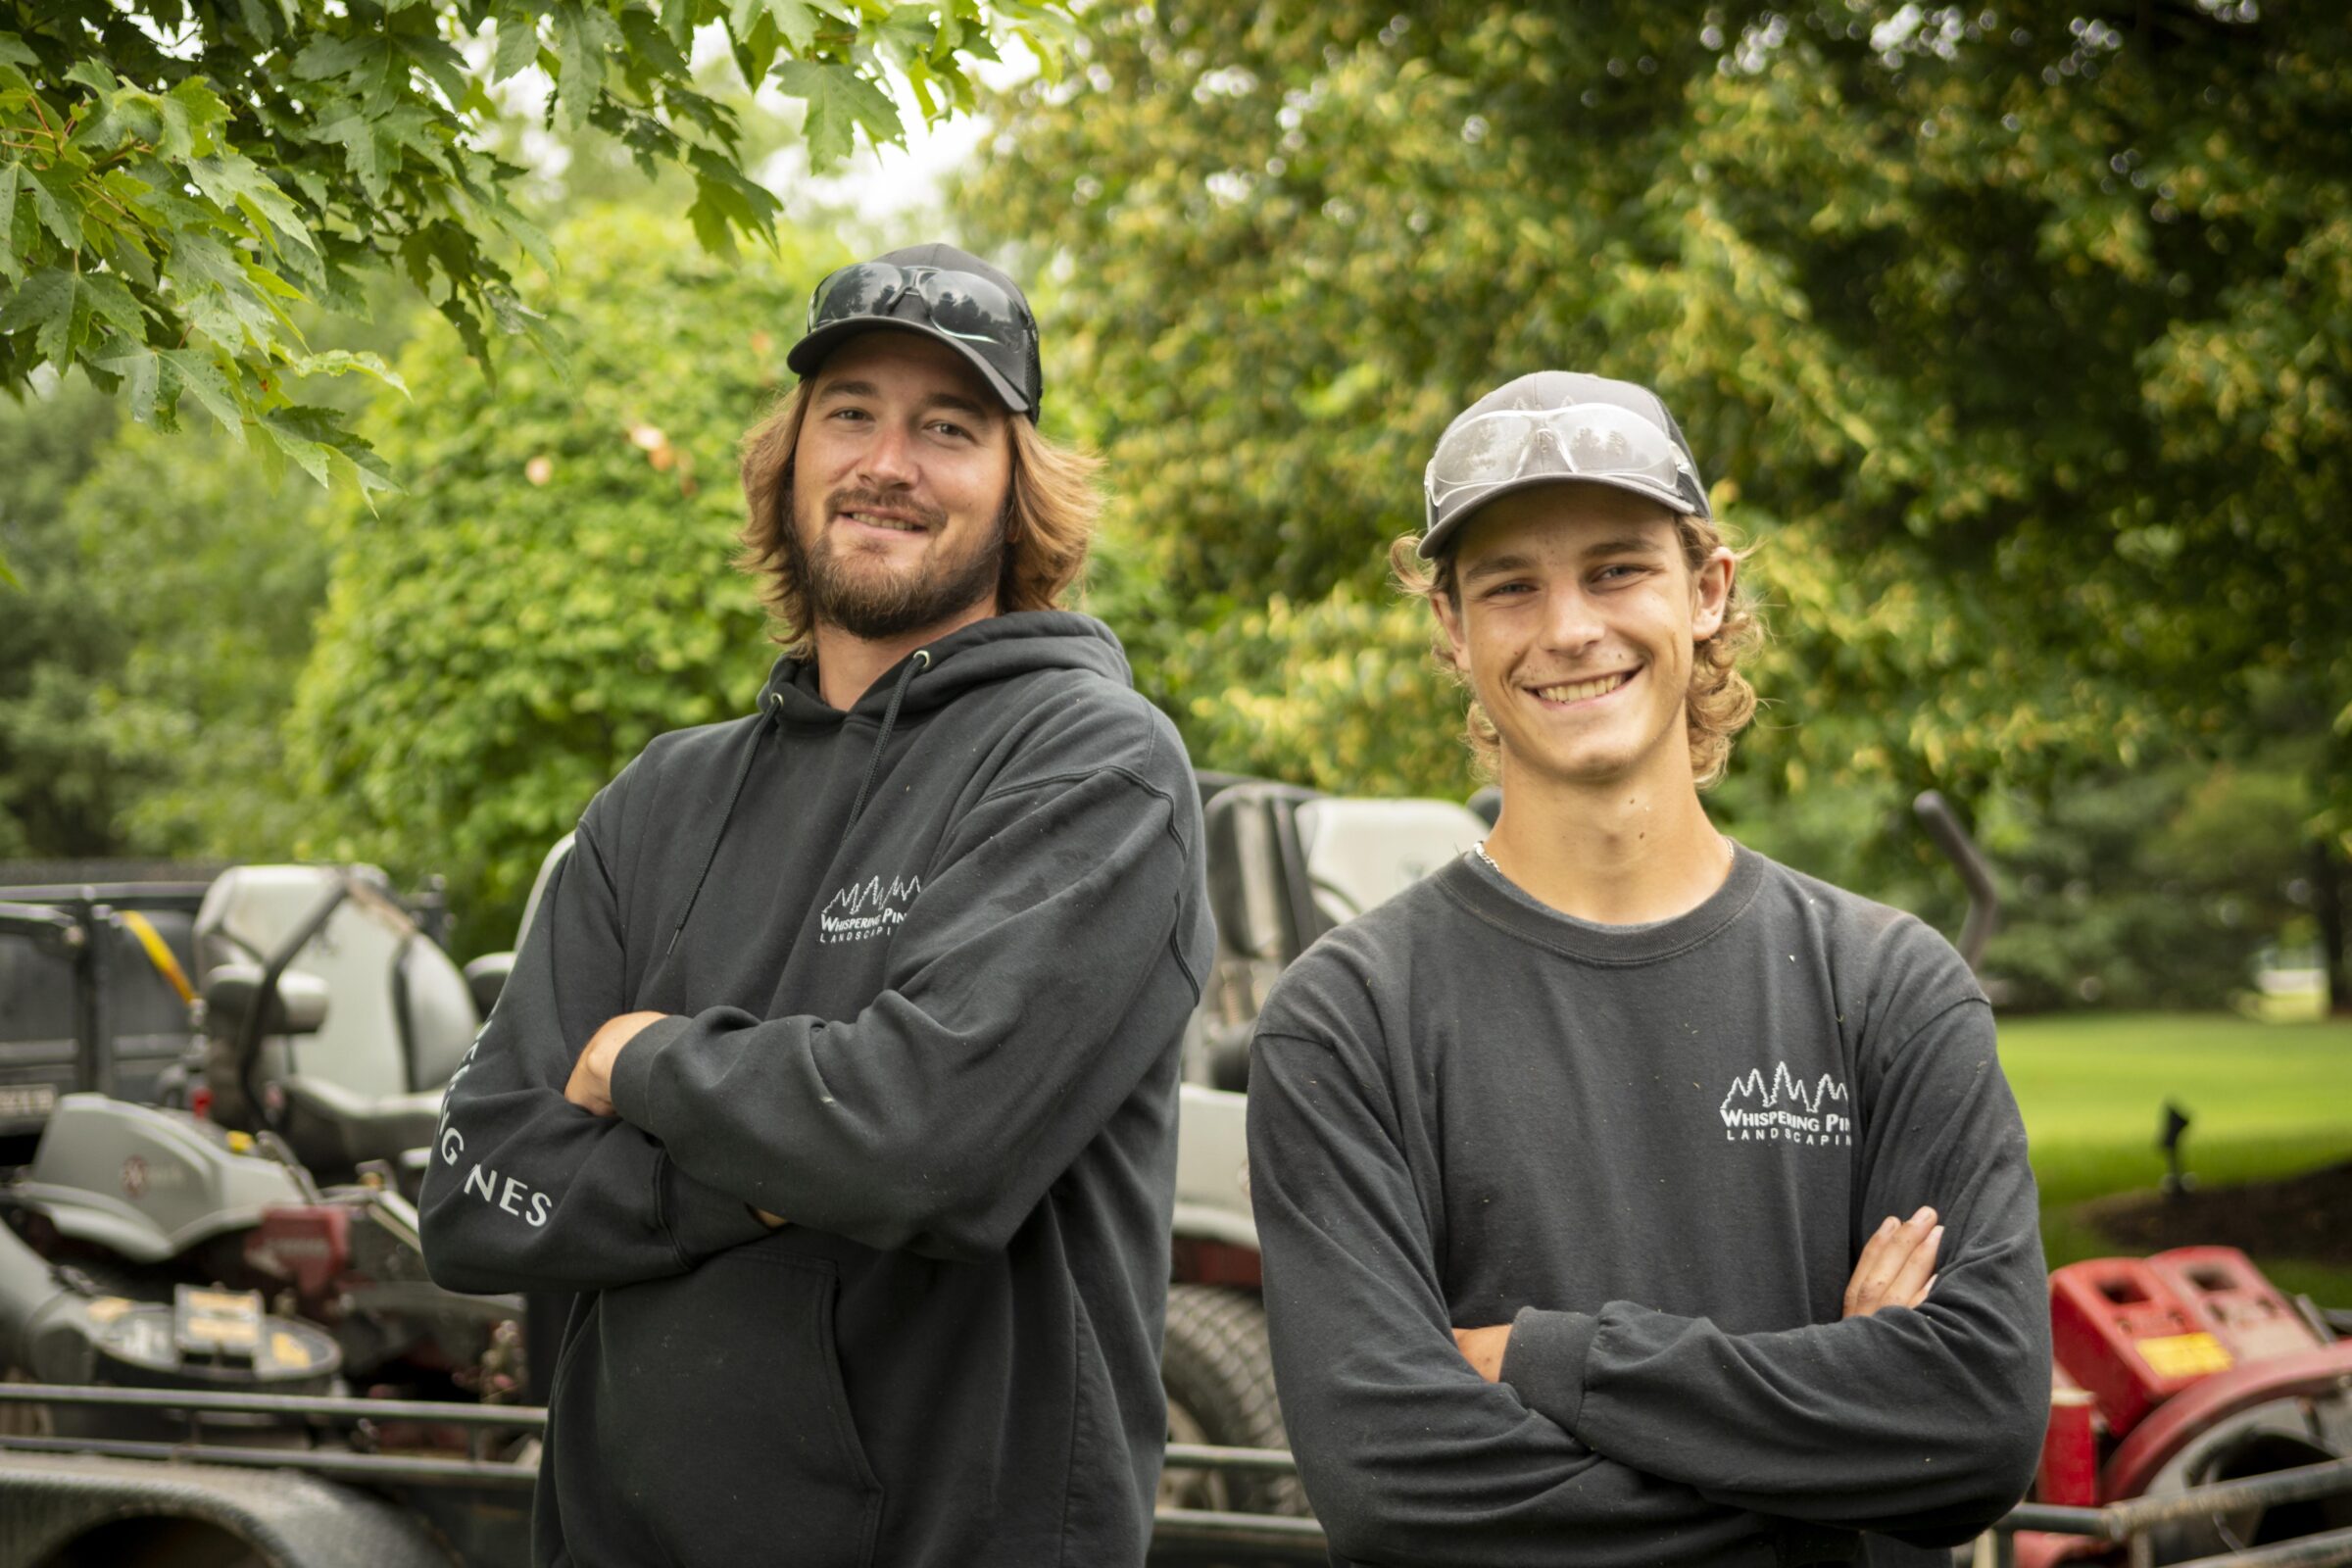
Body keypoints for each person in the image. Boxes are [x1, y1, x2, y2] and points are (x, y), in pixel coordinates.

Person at [420, 243, 1214, 1568]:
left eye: (948, 427)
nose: (887, 462)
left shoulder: (1094, 764)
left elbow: (926, 1143)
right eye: (850, 412)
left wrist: (647, 1061)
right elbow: (476, 1190)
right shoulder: (658, 801)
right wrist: (771, 1182)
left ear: (1021, 490)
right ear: (791, 458)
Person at [1246, 371, 2049, 1567]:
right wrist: (1835, 1453)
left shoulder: (1888, 989)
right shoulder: (1348, 1019)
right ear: (1455, 634)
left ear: (1708, 593)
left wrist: (1539, 1361)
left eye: (1617, 568)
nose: (1569, 626)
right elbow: (1393, 1487)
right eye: (1511, 585)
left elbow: (1975, 1423)